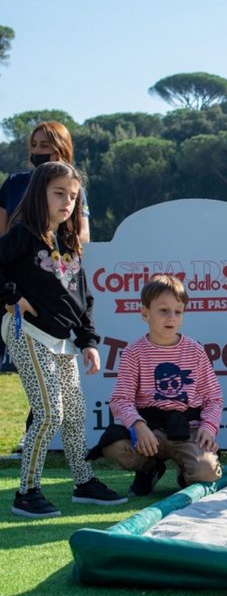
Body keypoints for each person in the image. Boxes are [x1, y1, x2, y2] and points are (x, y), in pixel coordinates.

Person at [1, 161, 125, 518]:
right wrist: (10, 296)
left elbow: (83, 299)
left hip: (62, 342)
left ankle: (83, 482)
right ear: (39, 193)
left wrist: (87, 340)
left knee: (74, 414)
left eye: (72, 196)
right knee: (49, 413)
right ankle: (26, 492)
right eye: (59, 193)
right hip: (27, 333)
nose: (67, 201)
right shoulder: (24, 232)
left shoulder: (69, 243)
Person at [90, 274, 223, 497]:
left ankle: (187, 471)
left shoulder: (195, 351)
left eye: (177, 311)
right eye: (163, 310)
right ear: (145, 313)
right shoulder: (134, 353)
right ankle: (150, 469)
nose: (171, 317)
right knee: (114, 446)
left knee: (206, 471)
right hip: (149, 432)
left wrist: (208, 427)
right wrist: (139, 426)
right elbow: (120, 400)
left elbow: (214, 398)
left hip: (187, 430)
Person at [1, 121, 91, 448]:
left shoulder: (74, 186)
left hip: (47, 298)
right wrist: (12, 291)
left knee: (58, 400)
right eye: (34, 145)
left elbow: (80, 240)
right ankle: (28, 492)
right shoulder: (13, 184)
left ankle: (36, 442)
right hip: (12, 285)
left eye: (46, 146)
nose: (38, 151)